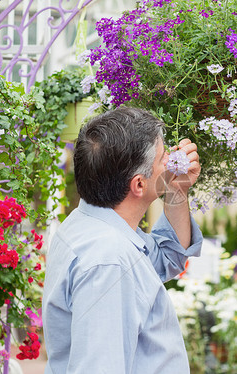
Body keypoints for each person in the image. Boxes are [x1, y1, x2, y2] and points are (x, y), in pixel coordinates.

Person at [42, 107, 203, 373]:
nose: (173, 160)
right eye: (164, 157)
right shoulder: (108, 261)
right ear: (138, 185)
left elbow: (167, 258)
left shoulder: (91, 223)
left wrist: (176, 190)